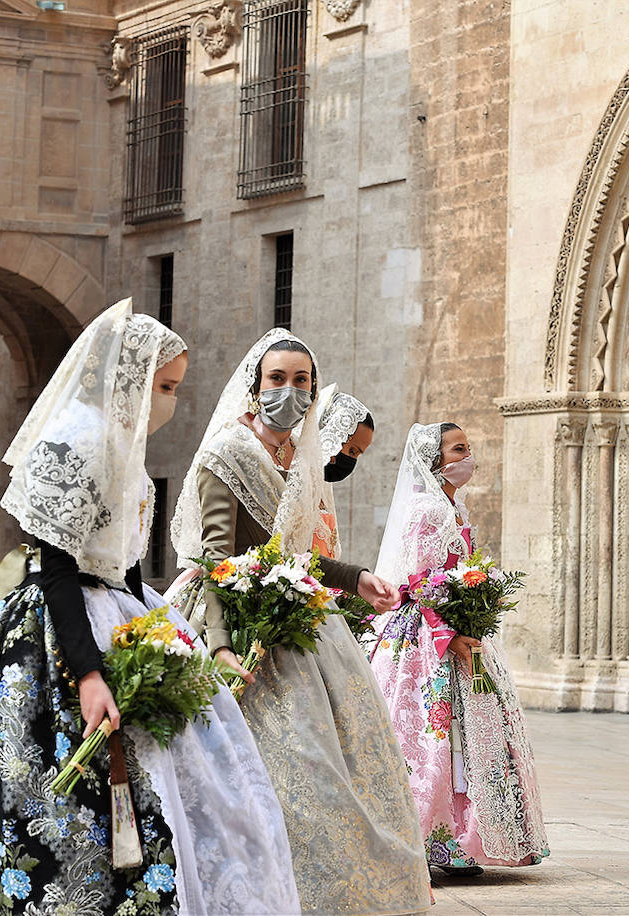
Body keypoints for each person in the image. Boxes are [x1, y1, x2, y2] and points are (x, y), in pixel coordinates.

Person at [0, 300, 299, 915]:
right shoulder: (79, 437)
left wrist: (161, 637)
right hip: (57, 627)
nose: (170, 402)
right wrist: (89, 672)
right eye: (165, 387)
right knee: (34, 794)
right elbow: (57, 568)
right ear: (129, 376)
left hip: (121, 607)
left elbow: (123, 565)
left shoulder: (121, 443)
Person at [169, 329, 432, 915]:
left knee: (343, 770)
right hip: (234, 624)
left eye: (301, 381)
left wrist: (352, 576)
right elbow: (216, 558)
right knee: (289, 777)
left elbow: (295, 555)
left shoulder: (302, 456)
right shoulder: (227, 454)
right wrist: (218, 646)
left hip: (300, 620)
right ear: (255, 385)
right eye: (277, 380)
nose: (289, 391)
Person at [369, 422, 550, 877]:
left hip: (461, 629)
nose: (469, 456)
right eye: (459, 448)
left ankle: (467, 841)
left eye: (469, 447)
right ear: (435, 459)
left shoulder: (456, 507)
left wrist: (477, 612)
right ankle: (429, 841)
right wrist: (448, 631)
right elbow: (418, 580)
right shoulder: (427, 510)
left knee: (472, 735)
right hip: (426, 636)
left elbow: (461, 572)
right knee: (430, 735)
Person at [312, 383, 375, 559]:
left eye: (357, 454)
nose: (351, 460)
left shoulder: (323, 491)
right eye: (352, 451)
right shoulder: (292, 483)